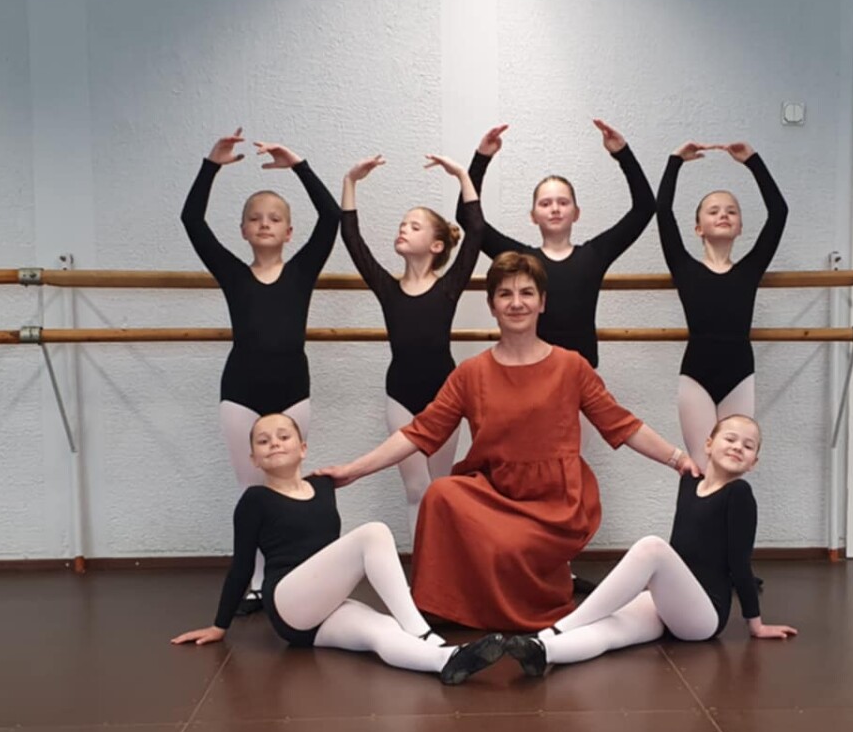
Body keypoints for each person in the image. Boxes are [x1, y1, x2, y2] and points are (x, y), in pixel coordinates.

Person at [316, 252, 699, 633]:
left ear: (542, 302)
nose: (517, 303)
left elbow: (622, 424)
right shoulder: (471, 373)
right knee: (440, 495)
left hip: (556, 499)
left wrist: (677, 457)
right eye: (505, 294)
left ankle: (533, 608)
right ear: (492, 306)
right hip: (495, 491)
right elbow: (420, 431)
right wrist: (354, 470)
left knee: (509, 542)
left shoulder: (571, 366)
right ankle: (446, 610)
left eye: (526, 293)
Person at [168, 413, 508, 685]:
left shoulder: (323, 485)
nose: (274, 444)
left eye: (283, 437)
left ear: (303, 448)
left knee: (381, 630)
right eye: (263, 441)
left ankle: (445, 660)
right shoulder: (254, 500)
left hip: (321, 608)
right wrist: (219, 626)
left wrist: (349, 471)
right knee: (373, 533)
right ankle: (422, 631)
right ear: (254, 459)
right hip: (288, 601)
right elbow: (242, 565)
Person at [498, 415, 799, 675]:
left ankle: (558, 628)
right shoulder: (690, 481)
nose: (737, 447)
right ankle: (542, 650)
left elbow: (740, 563)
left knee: (652, 547)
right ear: (708, 444)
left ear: (753, 463)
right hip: (672, 603)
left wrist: (755, 624)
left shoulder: (739, 494)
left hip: (704, 616)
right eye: (730, 439)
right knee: (612, 630)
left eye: (748, 446)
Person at [182, 128, 340, 609]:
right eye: (255, 218)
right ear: (243, 231)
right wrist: (211, 164)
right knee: (252, 488)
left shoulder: (302, 270)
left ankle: (294, 573)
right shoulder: (233, 273)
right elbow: (192, 220)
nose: (264, 224)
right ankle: (253, 581)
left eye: (274, 218)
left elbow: (331, 217)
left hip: (293, 390)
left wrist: (299, 166)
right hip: (241, 392)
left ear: (289, 232)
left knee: (291, 484)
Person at [338, 152, 486, 533]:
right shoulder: (387, 288)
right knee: (416, 487)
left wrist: (462, 175)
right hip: (400, 396)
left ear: (436, 246)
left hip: (445, 396)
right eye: (402, 224)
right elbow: (352, 239)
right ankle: (423, 564)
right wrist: (350, 182)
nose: (403, 229)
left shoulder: (448, 287)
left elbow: (476, 232)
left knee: (441, 487)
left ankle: (445, 562)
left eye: (414, 226)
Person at [465, 120, 653, 370]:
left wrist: (622, 153)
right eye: (545, 204)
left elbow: (644, 208)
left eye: (563, 202)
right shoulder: (521, 260)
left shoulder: (594, 255)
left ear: (576, 213)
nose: (555, 208)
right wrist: (482, 158)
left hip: (580, 373)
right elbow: (468, 218)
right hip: (531, 369)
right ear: (533, 216)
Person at [656, 141, 787, 470]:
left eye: (731, 211)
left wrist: (753, 161)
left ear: (740, 227)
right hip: (696, 375)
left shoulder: (749, 270)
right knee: (700, 468)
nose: (723, 215)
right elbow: (663, 211)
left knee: (732, 466)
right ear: (698, 228)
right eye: (713, 211)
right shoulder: (684, 267)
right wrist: (675, 161)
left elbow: (779, 213)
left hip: (740, 373)